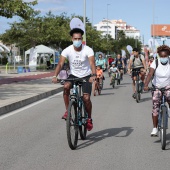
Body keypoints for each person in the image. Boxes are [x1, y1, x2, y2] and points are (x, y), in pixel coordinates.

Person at [52, 21, 96, 131]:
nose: (77, 41)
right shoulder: (67, 50)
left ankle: (89, 118)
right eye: (75, 39)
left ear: (82, 39)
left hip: (86, 76)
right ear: (72, 39)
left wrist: (94, 75)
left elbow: (92, 63)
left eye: (79, 39)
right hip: (73, 75)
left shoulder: (88, 49)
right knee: (66, 86)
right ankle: (68, 111)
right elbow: (60, 63)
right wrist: (55, 75)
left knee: (86, 98)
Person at [144, 45, 170, 136]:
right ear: (159, 55)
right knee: (155, 107)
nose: (163, 58)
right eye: (162, 56)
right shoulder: (155, 62)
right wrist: (146, 85)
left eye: (165, 56)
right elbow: (150, 74)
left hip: (168, 86)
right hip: (157, 87)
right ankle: (155, 128)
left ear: (168, 55)